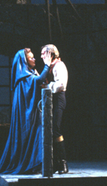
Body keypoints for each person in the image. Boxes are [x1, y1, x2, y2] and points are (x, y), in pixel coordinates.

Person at [0, 47, 52, 182]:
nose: (34, 59)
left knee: (38, 135)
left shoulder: (29, 74)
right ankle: (29, 164)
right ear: (24, 61)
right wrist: (47, 65)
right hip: (26, 115)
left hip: (32, 113)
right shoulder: (24, 77)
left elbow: (39, 81)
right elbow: (38, 80)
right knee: (32, 134)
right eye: (31, 58)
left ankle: (33, 165)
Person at [41, 44, 68, 174]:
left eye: (43, 54)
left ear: (50, 54)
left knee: (56, 129)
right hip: (51, 99)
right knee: (51, 130)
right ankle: (56, 163)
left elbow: (60, 85)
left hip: (58, 99)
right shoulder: (50, 67)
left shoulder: (59, 65)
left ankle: (63, 162)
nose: (41, 56)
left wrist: (47, 86)